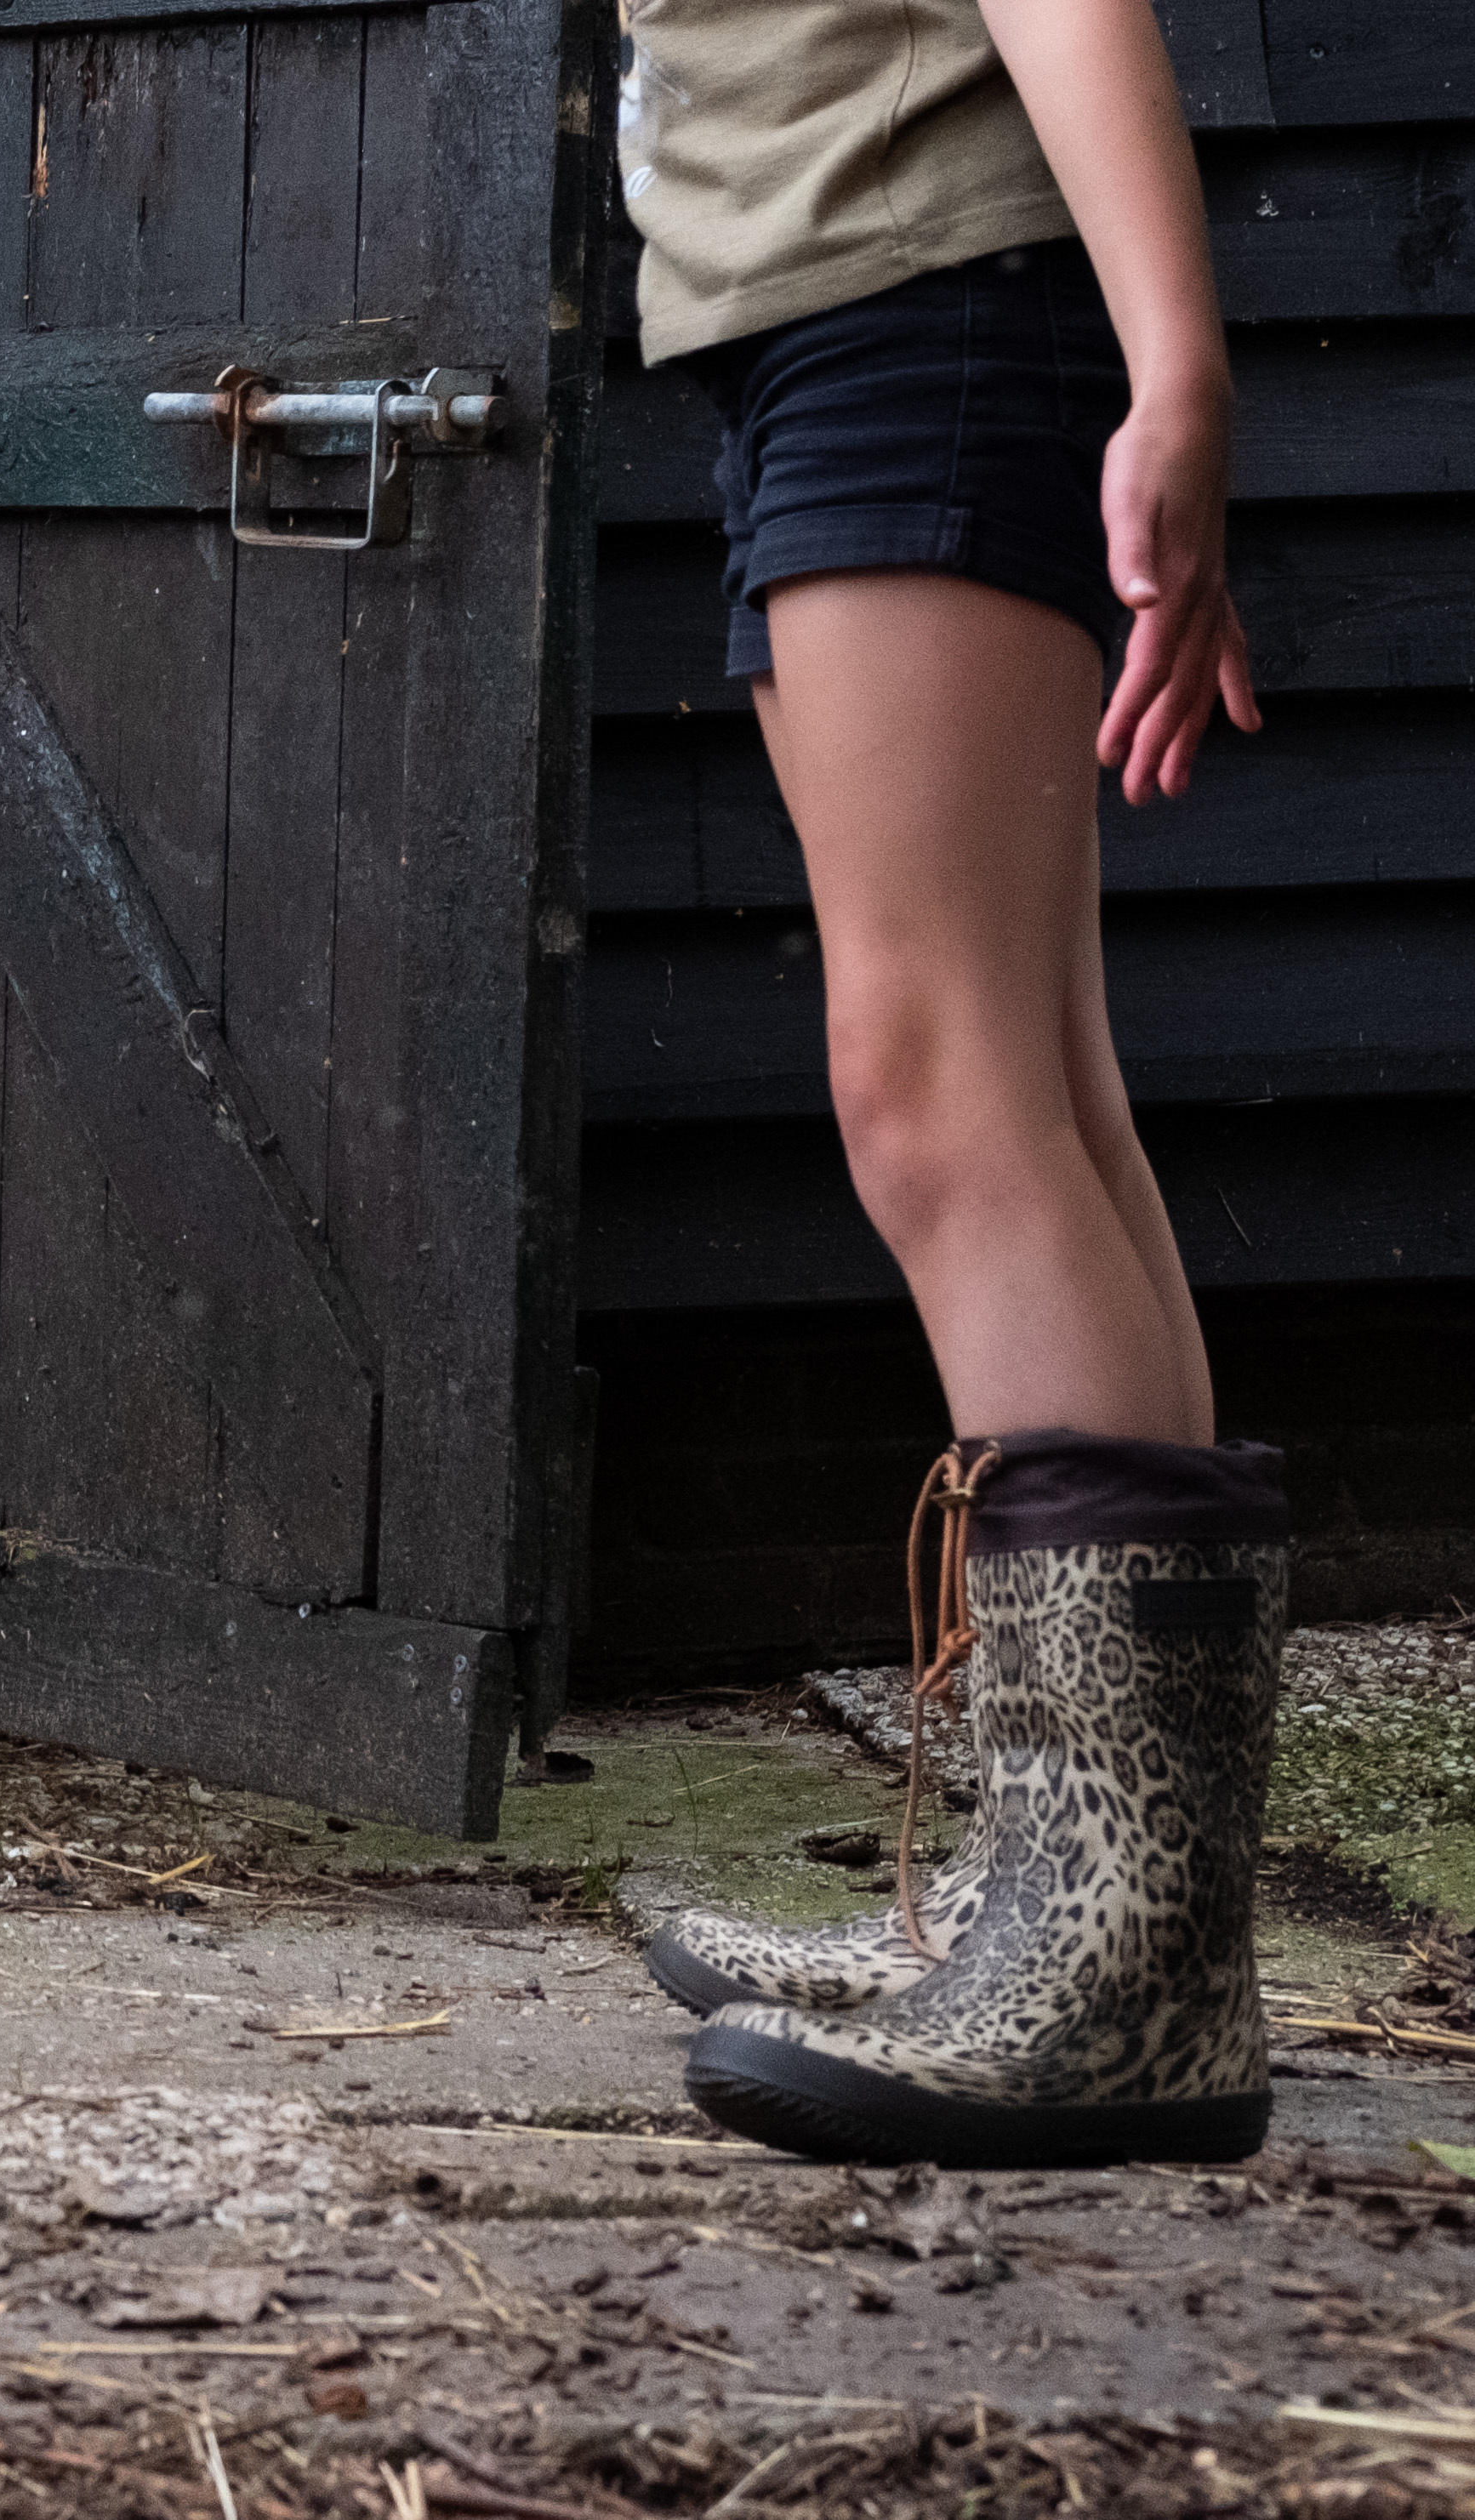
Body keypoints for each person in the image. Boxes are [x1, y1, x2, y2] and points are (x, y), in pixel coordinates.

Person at [614, 0, 1292, 2167]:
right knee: (1034, 1091)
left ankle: (1119, 1968)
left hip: (927, 311)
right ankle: (1072, 1909)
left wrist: (1174, 371)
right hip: (844, 319)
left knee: (941, 1093)